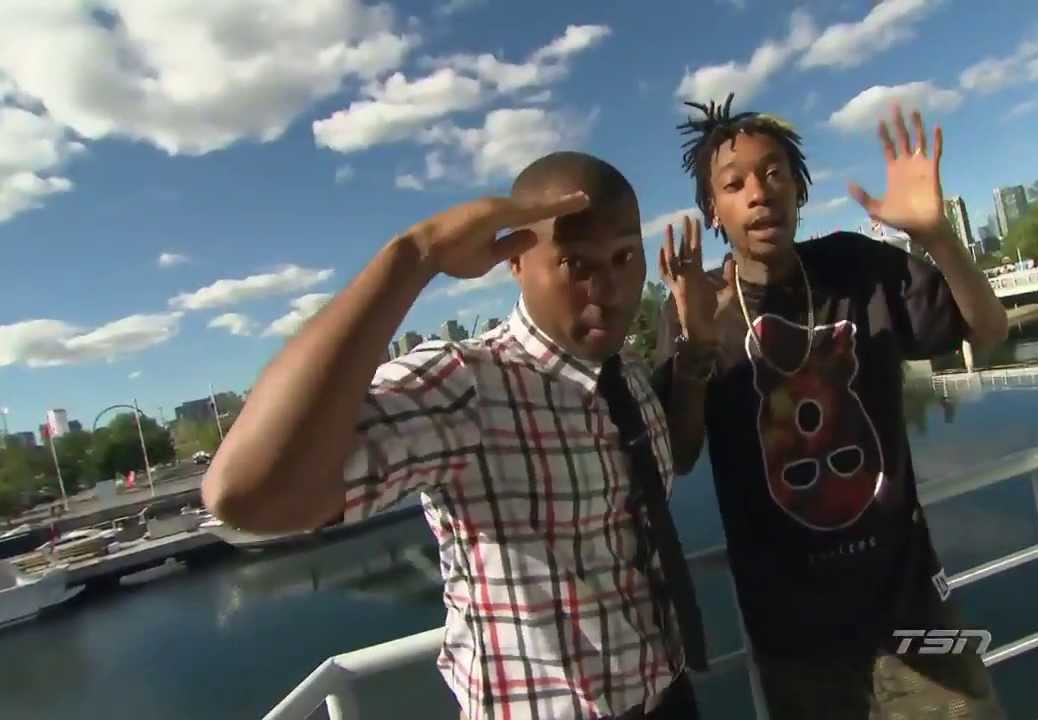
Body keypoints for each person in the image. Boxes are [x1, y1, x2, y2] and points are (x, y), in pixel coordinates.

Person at [202, 151, 713, 720]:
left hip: (668, 695)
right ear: (516, 262)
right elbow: (245, 494)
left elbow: (671, 463)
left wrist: (694, 344)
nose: (609, 290)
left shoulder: (626, 374)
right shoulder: (467, 385)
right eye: (576, 263)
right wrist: (414, 255)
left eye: (624, 257)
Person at [653, 94, 1010, 718]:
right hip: (793, 634)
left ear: (799, 188)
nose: (759, 193)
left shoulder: (856, 265)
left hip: (914, 604)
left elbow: (990, 331)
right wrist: (696, 354)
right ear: (713, 211)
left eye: (774, 173)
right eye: (734, 185)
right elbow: (680, 456)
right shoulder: (693, 308)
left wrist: (936, 236)